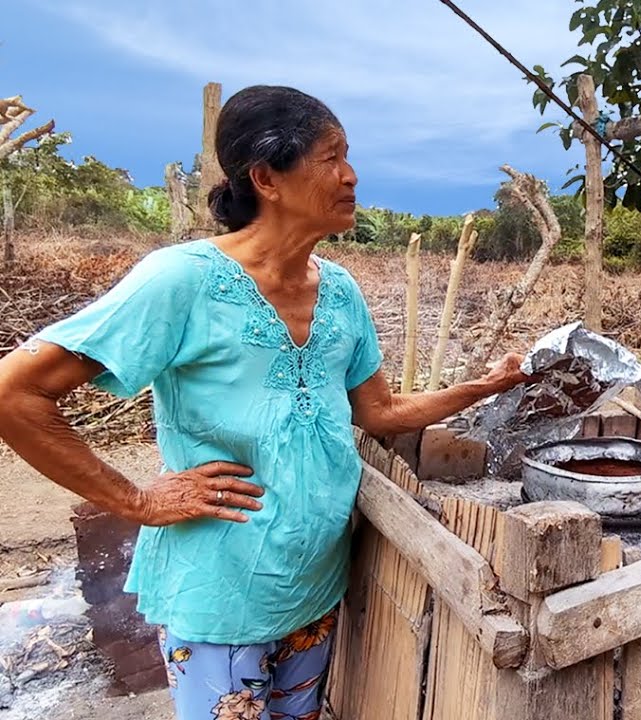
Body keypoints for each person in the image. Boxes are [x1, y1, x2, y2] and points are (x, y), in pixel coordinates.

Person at [0, 86, 529, 720]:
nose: (351, 175)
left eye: (348, 156)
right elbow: (16, 393)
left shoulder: (339, 289)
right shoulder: (183, 280)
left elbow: (378, 413)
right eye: (331, 157)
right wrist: (135, 500)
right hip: (222, 592)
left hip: (313, 584)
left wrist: (480, 389)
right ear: (266, 177)